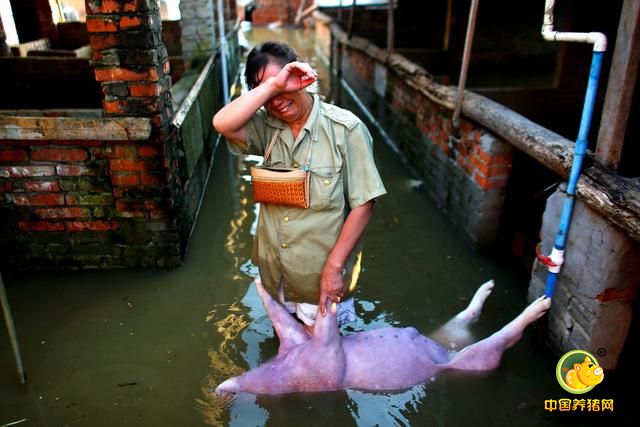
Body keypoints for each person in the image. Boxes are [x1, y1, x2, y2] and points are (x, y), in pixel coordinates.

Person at [213, 41, 386, 332]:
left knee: (322, 373)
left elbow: (363, 205)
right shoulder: (266, 128)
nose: (277, 99)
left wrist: (333, 270)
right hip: (277, 275)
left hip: (319, 280)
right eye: (267, 91)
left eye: (284, 84)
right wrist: (271, 87)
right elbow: (222, 124)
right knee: (289, 358)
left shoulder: (345, 129)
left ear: (300, 76)